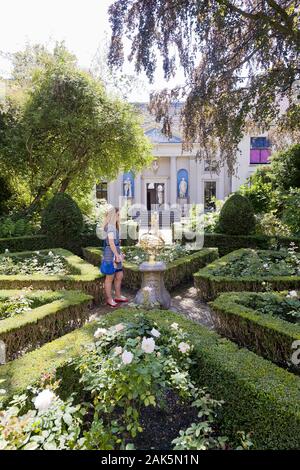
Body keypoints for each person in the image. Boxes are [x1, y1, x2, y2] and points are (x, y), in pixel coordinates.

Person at [100, 206, 128, 307]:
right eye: (118, 214)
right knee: (109, 277)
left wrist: (119, 254)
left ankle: (118, 296)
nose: (119, 216)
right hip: (110, 254)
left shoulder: (114, 226)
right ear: (114, 215)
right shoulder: (110, 227)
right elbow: (111, 243)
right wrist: (117, 255)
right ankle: (109, 299)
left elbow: (115, 244)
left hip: (115, 252)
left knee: (119, 275)